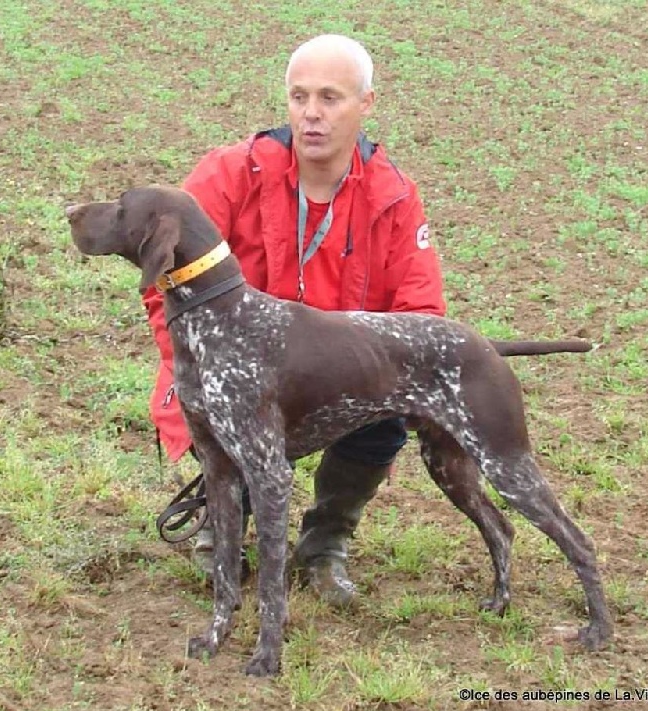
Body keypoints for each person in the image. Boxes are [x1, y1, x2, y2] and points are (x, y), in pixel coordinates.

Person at [142, 34, 446, 608]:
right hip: (241, 375)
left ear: (366, 103)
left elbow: (420, 314)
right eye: (298, 96)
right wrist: (198, 374)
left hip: (337, 378)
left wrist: (385, 381)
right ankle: (221, 519)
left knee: (385, 403)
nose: (312, 114)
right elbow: (168, 288)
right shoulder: (230, 175)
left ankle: (325, 542)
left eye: (330, 97)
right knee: (232, 410)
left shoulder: (394, 196)